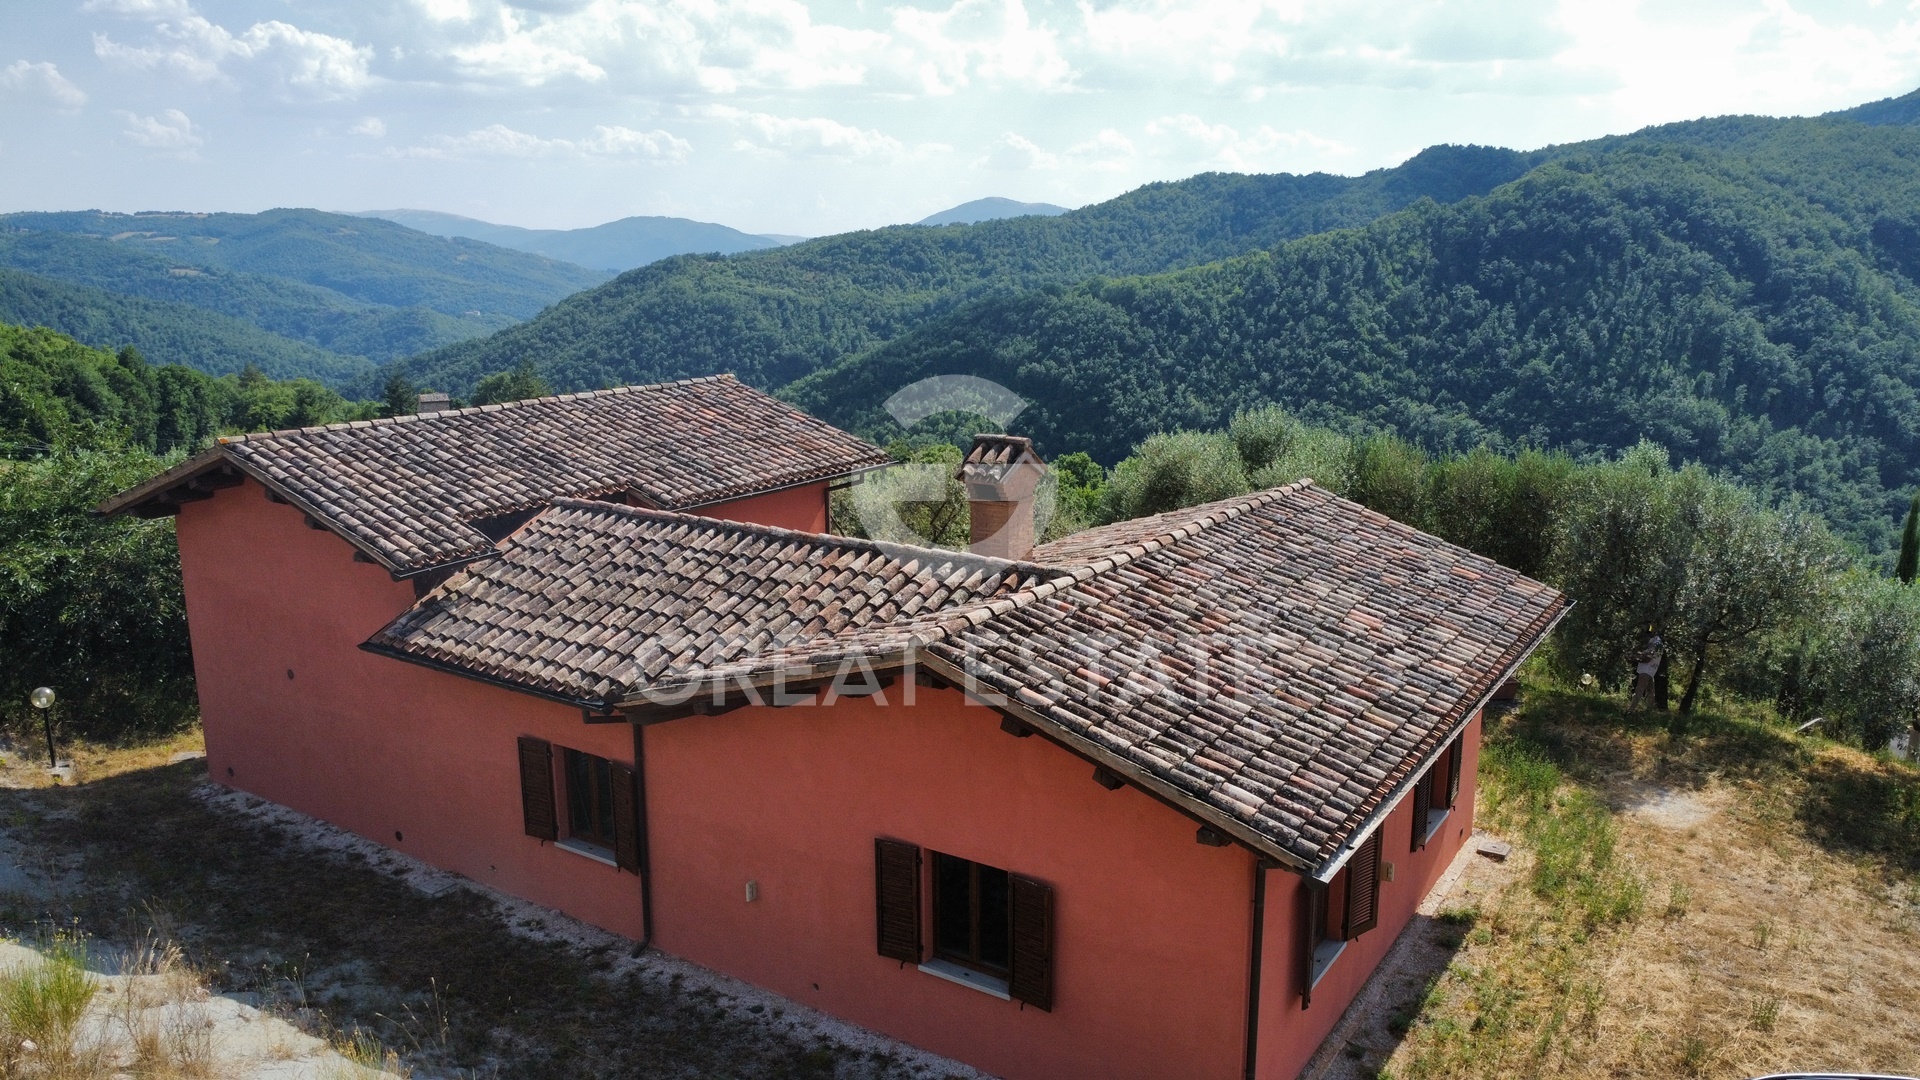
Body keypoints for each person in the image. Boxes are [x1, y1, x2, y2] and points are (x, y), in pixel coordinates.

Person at [1630, 629, 1663, 710]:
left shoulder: (1656, 643)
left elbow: (1647, 658)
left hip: (1646, 670)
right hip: (1651, 670)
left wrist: (1635, 659)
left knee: (1639, 690)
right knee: (1650, 691)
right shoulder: (1656, 642)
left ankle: (1630, 710)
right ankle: (1650, 710)